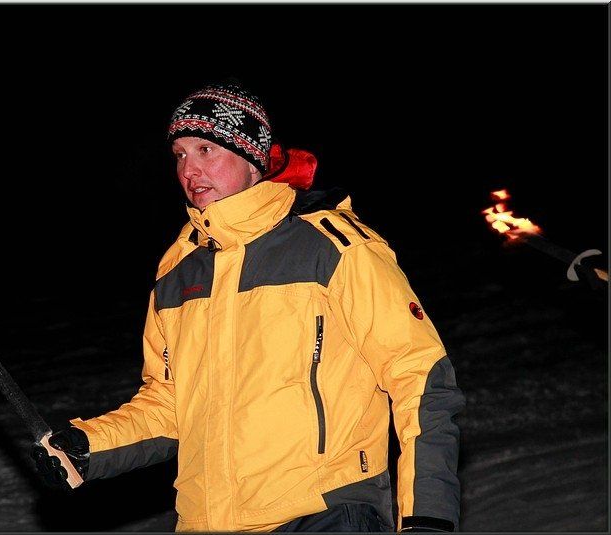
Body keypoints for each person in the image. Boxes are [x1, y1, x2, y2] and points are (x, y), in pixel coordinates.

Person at [31, 82, 465, 532]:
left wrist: (428, 515)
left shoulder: (332, 247)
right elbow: (173, 405)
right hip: (208, 521)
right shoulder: (178, 269)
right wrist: (89, 446)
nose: (190, 170)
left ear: (253, 158)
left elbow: (420, 377)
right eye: (179, 154)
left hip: (323, 512)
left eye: (206, 149)